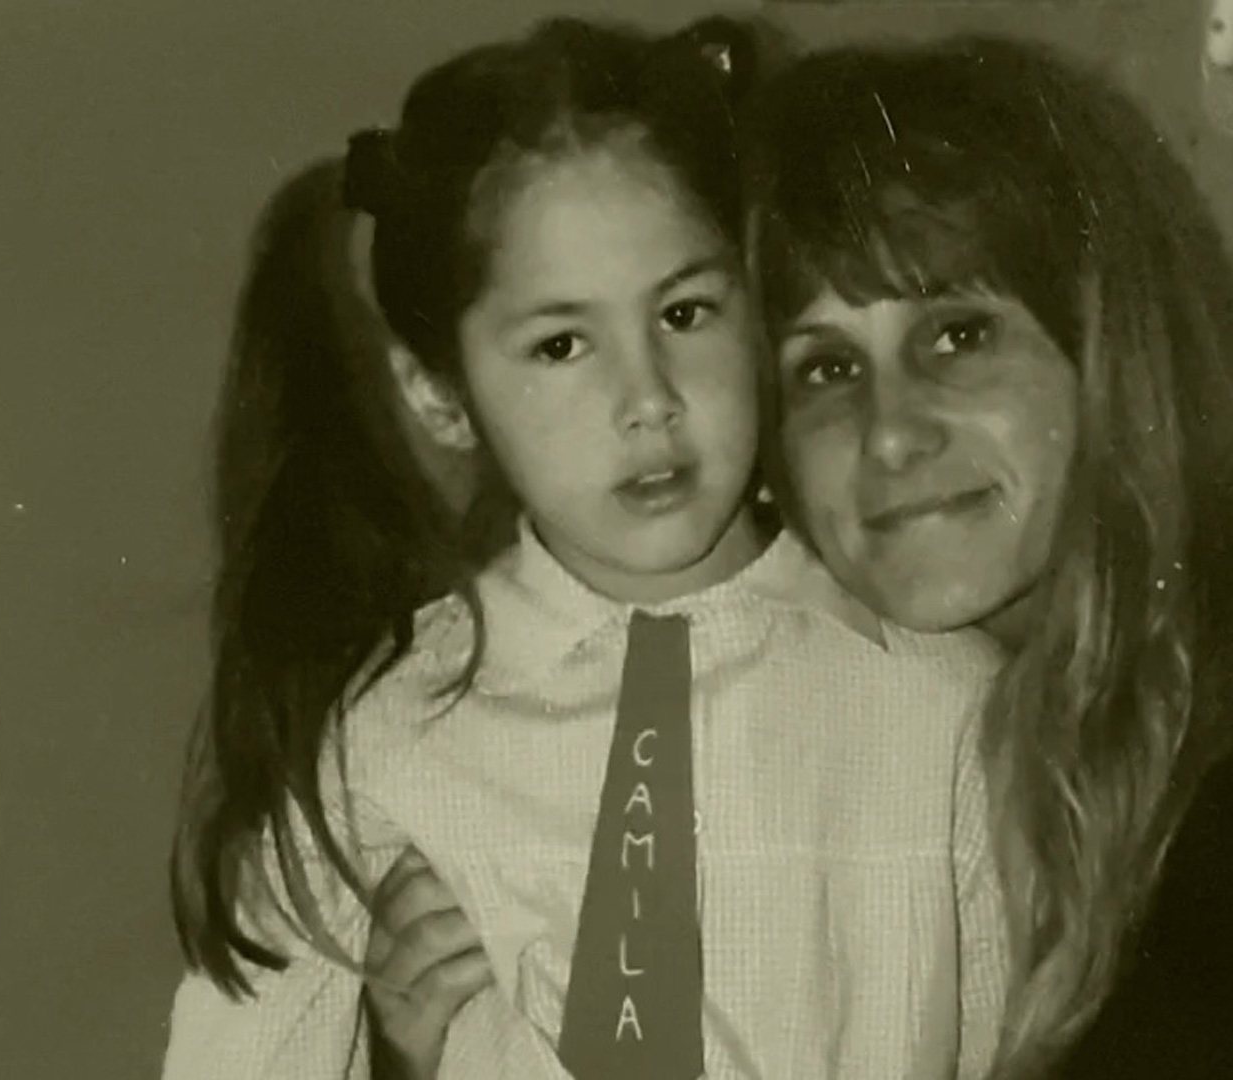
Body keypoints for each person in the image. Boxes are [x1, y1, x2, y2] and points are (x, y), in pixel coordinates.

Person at [361, 27, 1233, 1080]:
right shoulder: (870, 761)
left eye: (957, 337)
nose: (888, 436)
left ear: (1111, 355)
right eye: (821, 369)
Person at [161, 14, 1009, 1080]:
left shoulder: (945, 709)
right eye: (562, 345)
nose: (646, 399)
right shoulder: (387, 744)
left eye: (687, 312)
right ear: (443, 395)